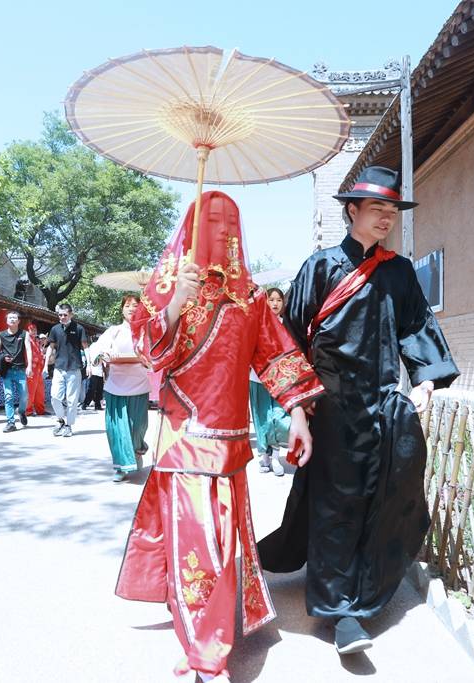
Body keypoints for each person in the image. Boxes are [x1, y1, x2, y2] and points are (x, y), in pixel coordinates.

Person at [116, 191, 323, 682]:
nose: (223, 231)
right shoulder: (169, 285)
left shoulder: (250, 298)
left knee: (220, 544)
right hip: (184, 439)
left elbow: (277, 358)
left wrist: (298, 414)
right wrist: (173, 305)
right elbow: (151, 354)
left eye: (230, 222)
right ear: (191, 226)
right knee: (199, 544)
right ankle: (207, 648)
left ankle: (204, 633)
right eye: (212, 220)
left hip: (231, 445)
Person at [258, 166, 459, 655]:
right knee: (336, 505)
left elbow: (416, 327)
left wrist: (427, 380)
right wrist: (299, 409)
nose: (386, 218)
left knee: (392, 495)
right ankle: (341, 611)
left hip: (385, 404)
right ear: (352, 210)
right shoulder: (321, 266)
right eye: (377, 209)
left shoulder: (399, 271)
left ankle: (365, 588)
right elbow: (289, 341)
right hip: (329, 406)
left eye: (392, 210)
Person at [90, 295, 150, 482]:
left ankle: (138, 450)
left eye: (135, 305)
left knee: (138, 427)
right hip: (116, 386)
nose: (132, 308)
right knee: (116, 429)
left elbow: (153, 355)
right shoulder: (113, 331)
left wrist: (144, 358)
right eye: (128, 305)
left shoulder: (146, 331)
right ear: (122, 309)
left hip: (139, 385)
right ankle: (121, 466)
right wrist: (104, 353)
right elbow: (97, 349)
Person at [249, 287, 289, 477]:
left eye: (278, 300)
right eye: (271, 299)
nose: (274, 303)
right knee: (262, 419)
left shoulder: (287, 326)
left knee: (280, 419)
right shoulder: (256, 324)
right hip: (257, 379)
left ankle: (276, 458)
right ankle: (264, 455)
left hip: (280, 380)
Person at [45, 303, 88, 437]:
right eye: (60, 315)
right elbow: (50, 347)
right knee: (55, 397)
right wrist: (45, 365)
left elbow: (85, 347)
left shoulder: (79, 328)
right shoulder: (55, 329)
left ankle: (69, 425)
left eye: (65, 315)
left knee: (72, 400)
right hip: (59, 367)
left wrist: (90, 365)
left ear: (71, 314)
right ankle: (60, 419)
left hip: (74, 368)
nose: (62, 317)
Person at [0, 311, 31, 433]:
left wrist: (29, 366)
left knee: (24, 396)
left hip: (20, 369)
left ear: (19, 321)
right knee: (8, 396)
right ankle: (10, 422)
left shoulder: (24, 334)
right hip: (7, 370)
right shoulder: (1, 335)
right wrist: (2, 357)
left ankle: (21, 411)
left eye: (15, 318)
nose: (12, 319)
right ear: (6, 320)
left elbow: (29, 350)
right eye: (10, 318)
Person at [25, 323, 46, 417]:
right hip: (32, 368)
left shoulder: (36, 341)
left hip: (38, 368)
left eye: (35, 329)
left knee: (39, 390)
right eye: (32, 329)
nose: (34, 331)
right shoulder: (27, 340)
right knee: (31, 390)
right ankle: (28, 410)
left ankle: (40, 410)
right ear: (28, 330)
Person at [81, 334, 104, 410]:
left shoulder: (91, 347)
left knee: (94, 388)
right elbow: (101, 358)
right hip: (97, 370)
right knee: (97, 389)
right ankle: (94, 404)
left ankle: (88, 404)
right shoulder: (99, 347)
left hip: (95, 370)